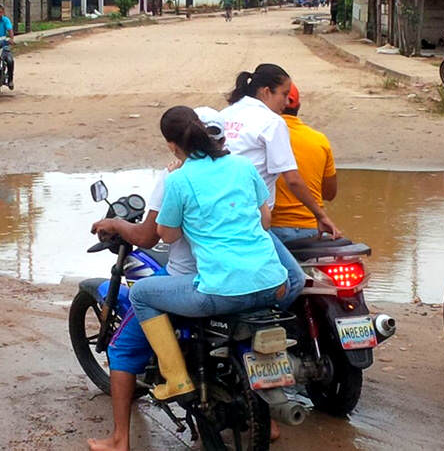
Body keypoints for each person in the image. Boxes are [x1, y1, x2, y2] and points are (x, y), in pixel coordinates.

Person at [128, 106, 289, 404]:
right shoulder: (243, 166)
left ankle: (176, 378)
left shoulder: (178, 180)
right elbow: (265, 221)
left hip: (221, 289)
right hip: (273, 285)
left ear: (173, 146)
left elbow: (167, 235)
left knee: (140, 294)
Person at [86, 108, 218, 451]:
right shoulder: (236, 169)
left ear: (173, 144)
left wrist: (113, 225)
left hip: (191, 281)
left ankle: (119, 439)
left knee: (123, 346)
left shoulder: (174, 179)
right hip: (236, 277)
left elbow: (152, 237)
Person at [220, 64, 342, 309]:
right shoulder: (271, 122)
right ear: (266, 92)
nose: (286, 102)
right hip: (251, 222)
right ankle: (263, 322)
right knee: (293, 280)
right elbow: (293, 179)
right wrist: (321, 215)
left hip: (221, 217)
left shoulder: (224, 116)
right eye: (283, 94)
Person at [271, 82, 337, 243]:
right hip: (311, 229)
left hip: (271, 228)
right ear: (298, 106)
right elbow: (329, 194)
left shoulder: (260, 136)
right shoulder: (319, 140)